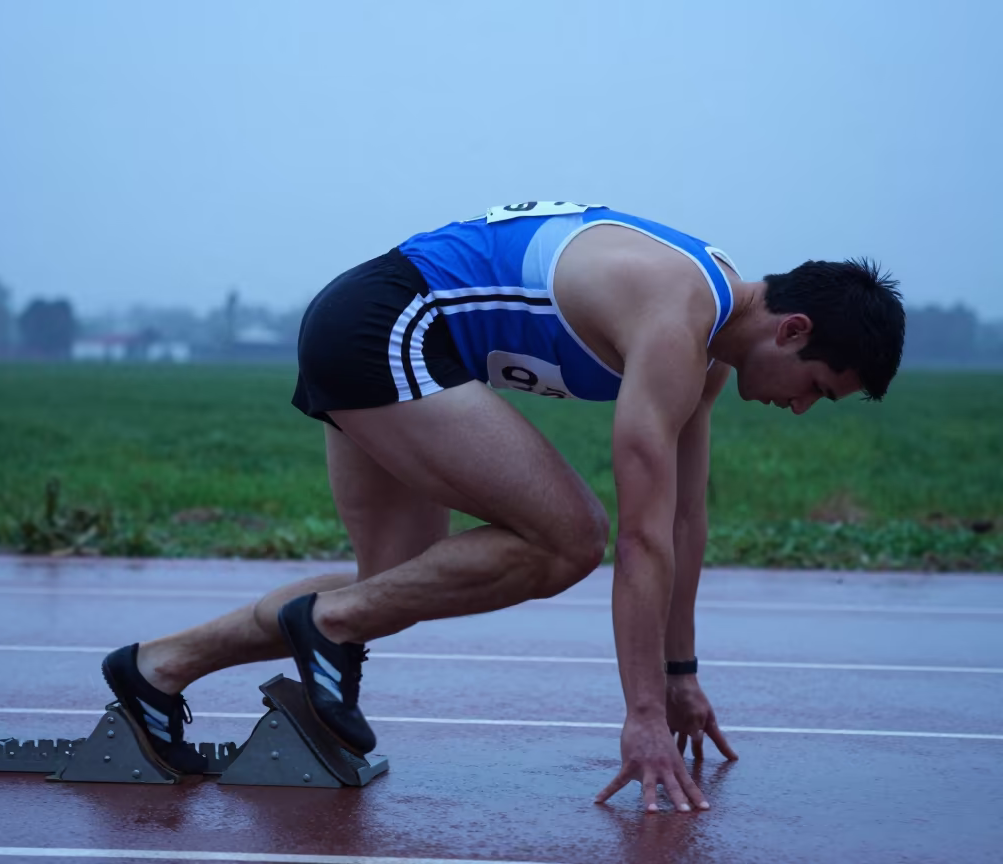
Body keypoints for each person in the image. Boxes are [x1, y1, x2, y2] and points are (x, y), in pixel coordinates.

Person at [101, 201, 905, 813]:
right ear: (792, 330)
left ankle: (157, 668)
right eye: (817, 387)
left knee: (393, 584)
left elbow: (684, 524)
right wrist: (643, 715)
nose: (803, 407)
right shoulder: (679, 317)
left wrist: (680, 674)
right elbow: (640, 538)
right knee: (571, 537)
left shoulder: (709, 348)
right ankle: (330, 626)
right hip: (386, 322)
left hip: (375, 321)